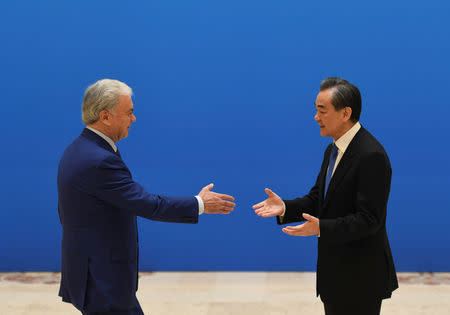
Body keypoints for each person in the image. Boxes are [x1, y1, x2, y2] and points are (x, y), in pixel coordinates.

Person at [57, 79, 236, 315]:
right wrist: (200, 203)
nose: (133, 119)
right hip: (103, 280)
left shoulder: (79, 149)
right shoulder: (99, 160)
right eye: (128, 112)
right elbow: (147, 204)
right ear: (105, 116)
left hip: (92, 274)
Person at [253, 77, 398, 315]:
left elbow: (369, 220)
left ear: (345, 113)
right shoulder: (333, 149)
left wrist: (321, 228)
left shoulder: (371, 155)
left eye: (322, 111)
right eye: (315, 110)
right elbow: (319, 199)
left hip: (361, 278)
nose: (315, 117)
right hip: (336, 276)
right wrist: (285, 208)